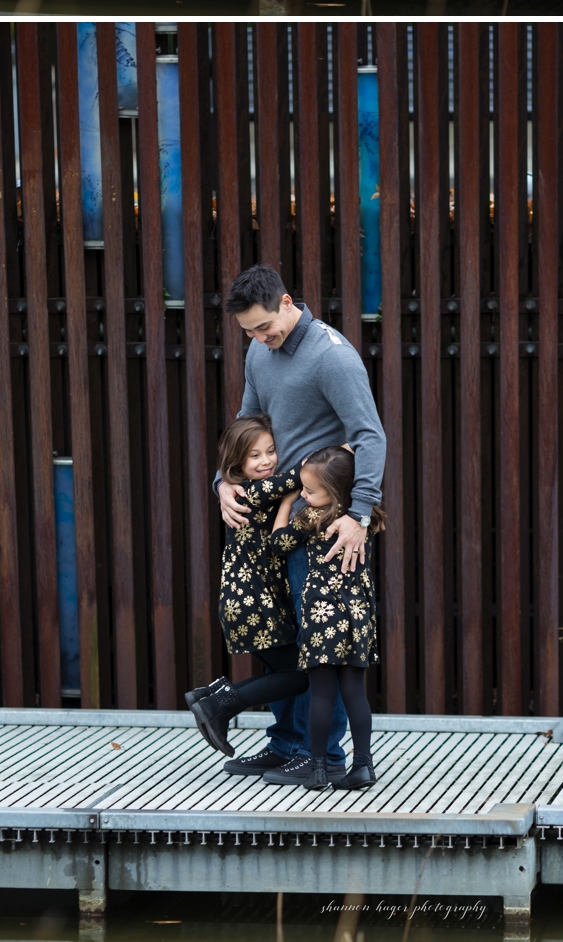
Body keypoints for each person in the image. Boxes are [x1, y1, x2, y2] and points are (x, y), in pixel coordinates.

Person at [199, 264, 386, 785]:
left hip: (326, 527)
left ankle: (322, 756)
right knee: (286, 642)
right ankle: (287, 747)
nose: (260, 339)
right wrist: (224, 482)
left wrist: (358, 516)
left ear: (286, 301)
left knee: (323, 646)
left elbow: (370, 437)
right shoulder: (261, 351)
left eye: (265, 327)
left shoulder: (332, 357)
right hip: (279, 527)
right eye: (250, 333)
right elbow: (248, 420)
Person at [260, 445, 382, 791]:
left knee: (322, 693)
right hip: (357, 612)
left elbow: (279, 543)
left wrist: (286, 503)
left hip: (322, 613)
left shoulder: (313, 515)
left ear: (333, 490)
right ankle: (362, 766)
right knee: (354, 692)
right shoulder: (364, 516)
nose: (305, 495)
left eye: (310, 491)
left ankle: (316, 769)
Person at [183, 415, 301, 754]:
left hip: (256, 601)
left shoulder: (254, 490)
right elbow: (302, 474)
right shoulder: (247, 493)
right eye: (254, 456)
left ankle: (213, 698)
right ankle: (218, 704)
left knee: (285, 672)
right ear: (236, 463)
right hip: (253, 604)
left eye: (271, 451)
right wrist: (344, 448)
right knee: (300, 674)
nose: (266, 461)